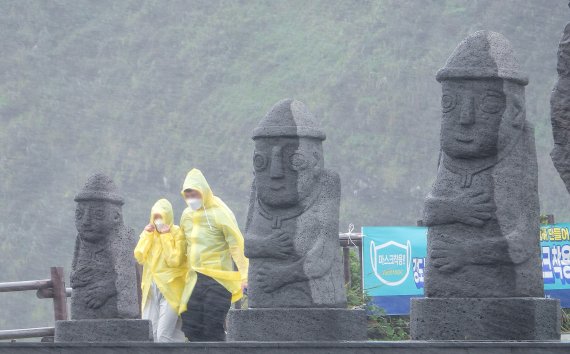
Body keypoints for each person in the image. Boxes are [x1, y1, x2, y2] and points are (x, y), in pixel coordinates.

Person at [179, 168, 248, 341]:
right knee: (191, 326)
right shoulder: (186, 215)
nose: (191, 199)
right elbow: (181, 245)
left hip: (217, 280)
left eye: (194, 194)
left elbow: (236, 245)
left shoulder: (220, 212)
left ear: (204, 191)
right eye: (187, 195)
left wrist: (245, 275)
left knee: (212, 326)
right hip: (193, 279)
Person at [134, 199, 187, 342]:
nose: (158, 220)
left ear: (168, 216)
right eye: (155, 217)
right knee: (150, 335)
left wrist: (165, 236)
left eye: (161, 217)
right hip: (151, 290)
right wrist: (145, 235)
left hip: (171, 291)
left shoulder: (177, 233)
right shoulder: (150, 234)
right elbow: (139, 256)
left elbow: (174, 260)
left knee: (163, 337)